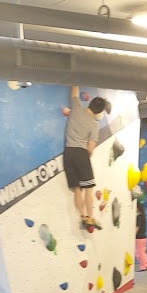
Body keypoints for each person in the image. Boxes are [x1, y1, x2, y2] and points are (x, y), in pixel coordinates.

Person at [63, 86, 108, 230]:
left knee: (77, 189)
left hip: (68, 152)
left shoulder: (76, 108)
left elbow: (74, 92)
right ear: (99, 112)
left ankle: (82, 217)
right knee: (88, 188)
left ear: (90, 103)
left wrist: (76, 80)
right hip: (81, 153)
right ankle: (90, 217)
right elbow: (90, 148)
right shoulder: (94, 125)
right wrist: (86, 157)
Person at [135, 201, 147, 271]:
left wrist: (132, 235)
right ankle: (145, 265)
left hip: (139, 237)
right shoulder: (143, 217)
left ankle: (144, 266)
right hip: (143, 237)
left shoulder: (138, 217)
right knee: (142, 252)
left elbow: (137, 228)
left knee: (139, 253)